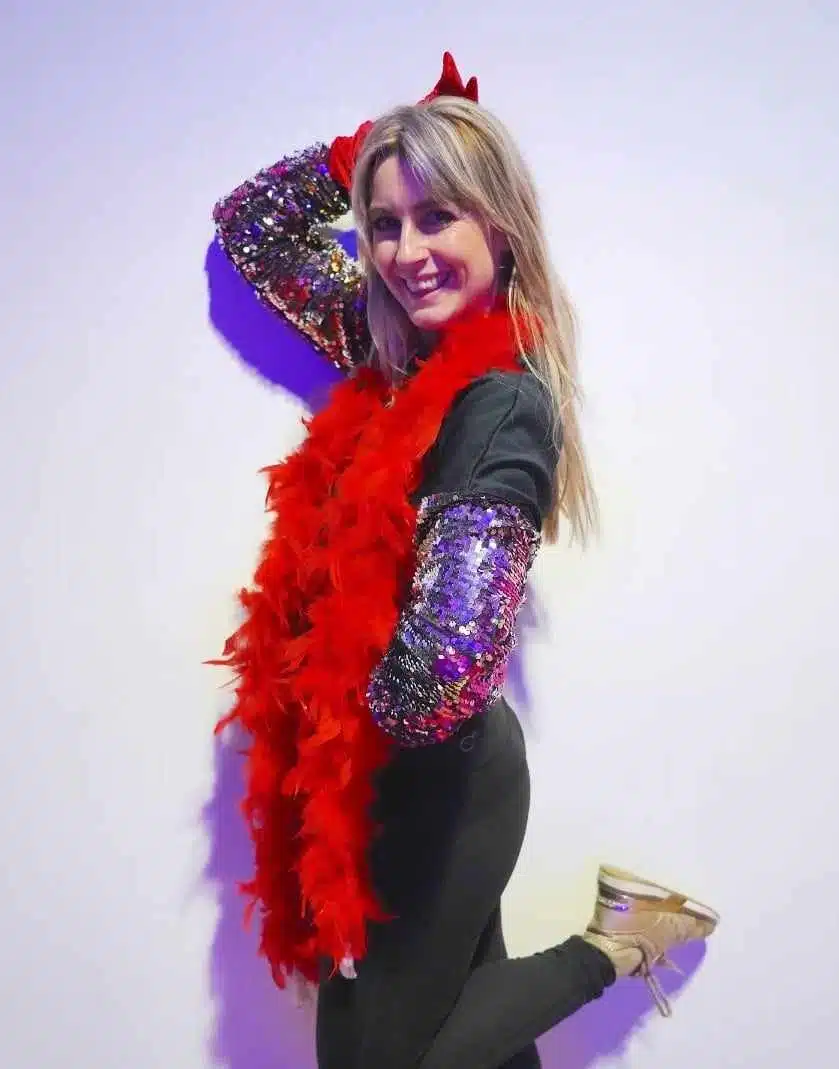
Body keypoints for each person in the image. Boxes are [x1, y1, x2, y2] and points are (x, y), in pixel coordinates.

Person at [210, 52, 718, 1069]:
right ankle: (627, 931)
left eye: (436, 216)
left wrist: (335, 730)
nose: (405, 252)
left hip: (438, 778)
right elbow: (252, 228)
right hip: (385, 775)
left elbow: (439, 677)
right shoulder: (394, 357)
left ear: (500, 225)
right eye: (384, 223)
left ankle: (617, 941)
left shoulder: (499, 405)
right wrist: (369, 151)